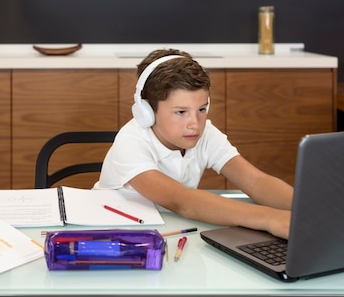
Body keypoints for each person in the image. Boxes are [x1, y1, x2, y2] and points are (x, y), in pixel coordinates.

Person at [94, 48, 293, 239]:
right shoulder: (130, 142)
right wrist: (270, 219)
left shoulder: (205, 133)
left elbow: (255, 182)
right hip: (116, 234)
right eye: (181, 112)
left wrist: (308, 208)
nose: (195, 124)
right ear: (146, 111)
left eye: (202, 109)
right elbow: (183, 202)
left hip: (171, 231)